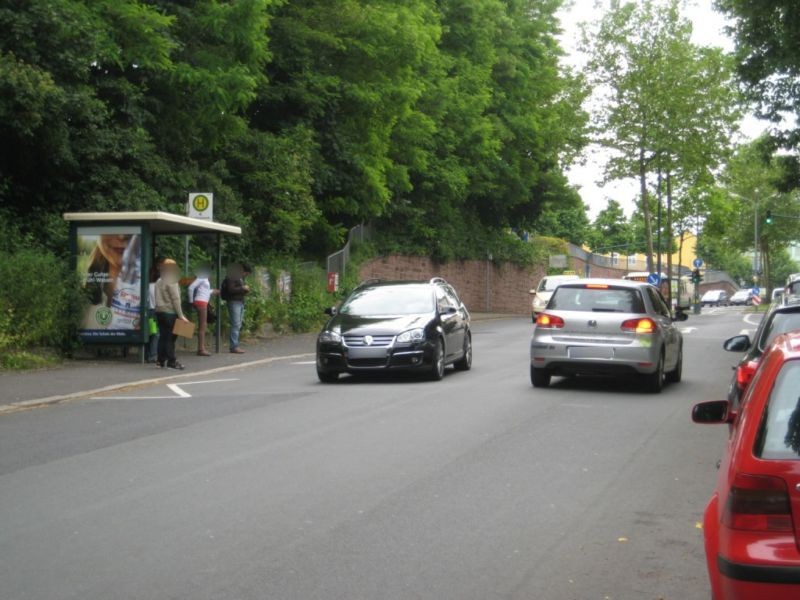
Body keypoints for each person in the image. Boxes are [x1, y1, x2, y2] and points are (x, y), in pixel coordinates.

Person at [154, 258, 190, 370]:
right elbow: (175, 299)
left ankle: (160, 360)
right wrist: (181, 315)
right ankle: (172, 361)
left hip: (160, 312)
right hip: (170, 312)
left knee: (163, 337)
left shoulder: (159, 280)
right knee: (170, 338)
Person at [187, 264, 217, 356]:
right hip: (201, 302)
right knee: (203, 326)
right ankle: (201, 349)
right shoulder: (202, 277)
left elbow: (203, 291)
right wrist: (191, 301)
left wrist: (212, 291)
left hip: (202, 301)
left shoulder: (203, 278)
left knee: (203, 325)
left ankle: (201, 348)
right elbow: (191, 288)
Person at [224, 263, 251, 354]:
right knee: (235, 324)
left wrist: (245, 290)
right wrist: (242, 287)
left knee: (238, 324)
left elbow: (237, 290)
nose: (246, 276)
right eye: (246, 274)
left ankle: (235, 344)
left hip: (240, 302)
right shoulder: (232, 277)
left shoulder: (240, 278)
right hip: (234, 302)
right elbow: (231, 289)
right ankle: (234, 346)